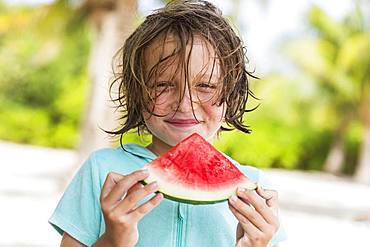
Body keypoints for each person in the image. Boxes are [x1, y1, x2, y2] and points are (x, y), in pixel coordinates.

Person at [49, 1, 287, 246]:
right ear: (137, 92)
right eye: (162, 85)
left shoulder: (253, 189)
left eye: (205, 86)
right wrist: (112, 240)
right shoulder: (103, 171)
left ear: (232, 94)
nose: (185, 104)